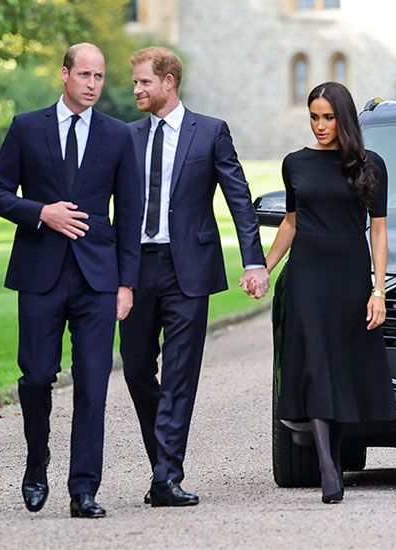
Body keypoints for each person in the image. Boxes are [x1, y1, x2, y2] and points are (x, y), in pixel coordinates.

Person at [0, 43, 141, 519]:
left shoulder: (118, 136)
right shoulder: (27, 128)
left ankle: (84, 489)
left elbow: (130, 214)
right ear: (64, 75)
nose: (93, 84)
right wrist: (41, 213)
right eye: (85, 75)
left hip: (98, 280)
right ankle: (37, 463)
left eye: (100, 75)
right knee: (36, 377)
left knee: (93, 384)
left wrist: (126, 283)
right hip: (40, 276)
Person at [120, 46, 269, 507]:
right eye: (135, 82)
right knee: (137, 369)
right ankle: (162, 462)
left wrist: (253, 260)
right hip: (136, 268)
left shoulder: (210, 132)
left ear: (168, 82)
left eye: (144, 81)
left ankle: (166, 475)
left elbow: (238, 199)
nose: (137, 89)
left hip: (190, 270)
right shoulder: (124, 137)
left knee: (180, 375)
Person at [263, 82, 396, 504]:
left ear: (344, 118)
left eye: (328, 117)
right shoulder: (295, 163)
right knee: (317, 364)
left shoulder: (370, 164)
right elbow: (290, 222)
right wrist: (262, 268)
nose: (320, 126)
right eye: (314, 117)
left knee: (340, 366)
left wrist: (378, 289)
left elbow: (378, 230)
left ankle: (333, 457)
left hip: (351, 276)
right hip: (307, 276)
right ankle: (326, 469)